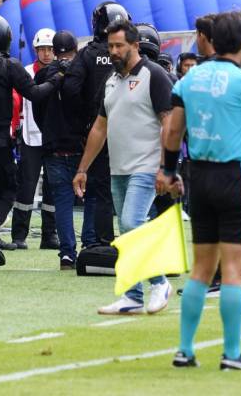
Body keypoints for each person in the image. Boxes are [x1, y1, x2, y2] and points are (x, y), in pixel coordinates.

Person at [160, 11, 241, 370]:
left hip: (198, 178)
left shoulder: (190, 78)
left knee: (201, 270)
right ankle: (232, 354)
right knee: (233, 270)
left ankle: (184, 350)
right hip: (235, 176)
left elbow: (172, 133)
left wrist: (169, 172)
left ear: (213, 41)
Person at [73, 20, 174, 315]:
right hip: (118, 168)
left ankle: (159, 281)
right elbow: (99, 127)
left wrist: (166, 166)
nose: (114, 51)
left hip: (146, 165)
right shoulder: (111, 80)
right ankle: (132, 296)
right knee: (127, 232)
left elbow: (169, 121)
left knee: (131, 223)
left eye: (119, 46)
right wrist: (83, 169)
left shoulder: (155, 76)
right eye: (111, 46)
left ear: (135, 46)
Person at [0, 14, 59, 270]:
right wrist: (55, 80)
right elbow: (35, 94)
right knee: (7, 189)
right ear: (3, 37)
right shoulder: (8, 64)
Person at [63, 2, 131, 248]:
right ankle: (135, 244)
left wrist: (86, 117)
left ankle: (102, 243)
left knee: (102, 189)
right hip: (132, 131)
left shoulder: (87, 54)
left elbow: (70, 89)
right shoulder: (131, 52)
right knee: (133, 188)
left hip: (98, 130)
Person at [32, 31, 85, 270]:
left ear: (54, 50)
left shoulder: (44, 74)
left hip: (54, 147)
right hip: (82, 147)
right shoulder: (83, 71)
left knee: (62, 202)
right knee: (93, 198)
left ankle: (67, 254)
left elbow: (37, 112)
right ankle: (92, 245)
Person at [11, 28, 59, 250]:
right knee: (26, 187)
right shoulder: (26, 72)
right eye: (43, 49)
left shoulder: (62, 71)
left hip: (54, 139)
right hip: (30, 136)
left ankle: (49, 235)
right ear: (36, 50)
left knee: (53, 187)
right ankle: (19, 235)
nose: (47, 54)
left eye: (50, 49)